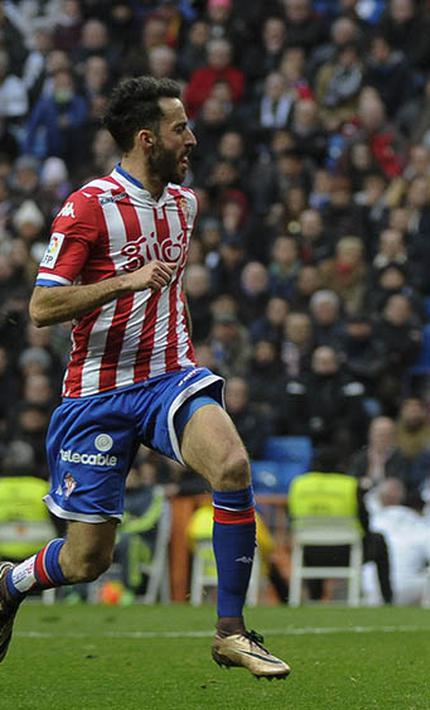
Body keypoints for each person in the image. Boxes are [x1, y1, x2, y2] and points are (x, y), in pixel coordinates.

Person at [0, 77, 289, 677]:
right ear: (145, 138)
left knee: (232, 466)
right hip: (97, 395)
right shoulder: (88, 206)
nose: (193, 138)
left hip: (168, 379)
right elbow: (42, 307)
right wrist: (125, 281)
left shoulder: (185, 204)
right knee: (86, 562)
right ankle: (11, 583)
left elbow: (170, 293)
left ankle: (231, 632)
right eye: (180, 128)